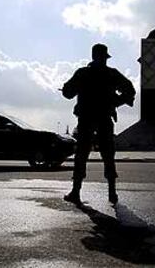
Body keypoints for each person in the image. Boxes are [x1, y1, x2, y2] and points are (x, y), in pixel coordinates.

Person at [61, 43, 136, 204]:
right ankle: (112, 192)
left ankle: (76, 191)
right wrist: (116, 101)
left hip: (86, 119)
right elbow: (130, 90)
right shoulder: (111, 74)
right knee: (108, 155)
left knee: (81, 154)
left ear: (93, 56)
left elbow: (67, 93)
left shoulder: (83, 73)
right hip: (104, 118)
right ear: (105, 57)